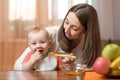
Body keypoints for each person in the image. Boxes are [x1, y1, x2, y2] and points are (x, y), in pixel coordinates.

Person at [14, 3, 101, 70]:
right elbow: (17, 67)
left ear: (86, 31)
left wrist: (69, 66)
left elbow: (88, 72)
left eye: (74, 28)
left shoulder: (88, 45)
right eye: (66, 22)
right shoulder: (46, 36)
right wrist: (33, 60)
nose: (66, 30)